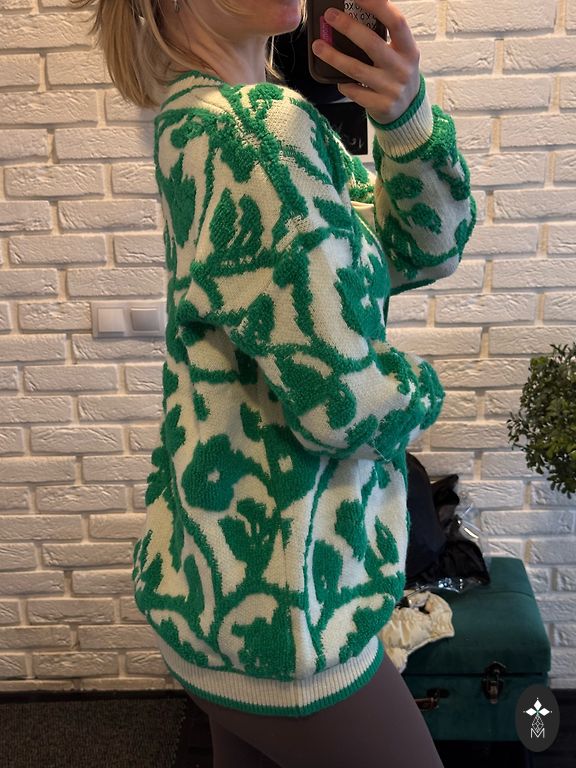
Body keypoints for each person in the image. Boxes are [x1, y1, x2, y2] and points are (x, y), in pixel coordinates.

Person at [70, 0, 476, 764]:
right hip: (294, 613)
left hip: (217, 595)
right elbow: (343, 401)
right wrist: (426, 392)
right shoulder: (258, 132)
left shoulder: (197, 118)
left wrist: (403, 121)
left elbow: (412, 249)